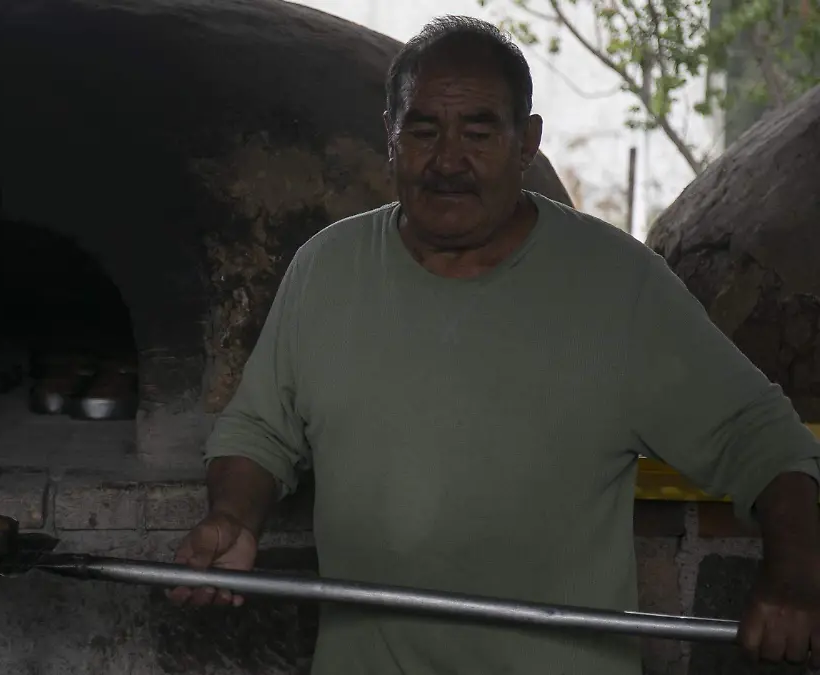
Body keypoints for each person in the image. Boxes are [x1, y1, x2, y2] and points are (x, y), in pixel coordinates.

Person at [167, 14, 820, 675]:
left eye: (478, 132)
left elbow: (762, 437)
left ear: (526, 142)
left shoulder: (617, 284)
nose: (448, 160)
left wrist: (795, 575)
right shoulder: (326, 269)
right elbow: (257, 432)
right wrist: (234, 516)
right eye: (423, 131)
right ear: (390, 141)